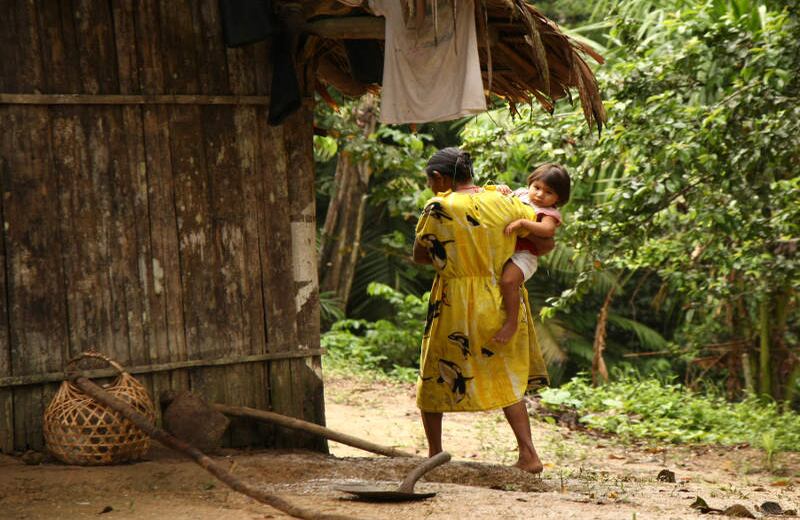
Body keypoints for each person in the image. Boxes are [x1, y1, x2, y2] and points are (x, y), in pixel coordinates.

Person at [412, 147, 552, 474]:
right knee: (504, 373)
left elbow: (420, 256)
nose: (431, 187)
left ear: (439, 178)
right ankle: (529, 455)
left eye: (431, 181)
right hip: (501, 297)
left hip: (455, 301)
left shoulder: (439, 207)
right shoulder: (507, 201)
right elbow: (546, 243)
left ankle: (434, 453)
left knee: (435, 372)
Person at [493, 164, 571, 344]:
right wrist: (501, 189)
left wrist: (523, 224)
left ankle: (511, 322)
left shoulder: (549, 213)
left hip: (524, 256)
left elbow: (547, 230)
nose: (540, 194)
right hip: (504, 249)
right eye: (537, 187)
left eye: (548, 192)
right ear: (530, 184)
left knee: (508, 282)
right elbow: (499, 201)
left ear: (559, 198)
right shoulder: (520, 194)